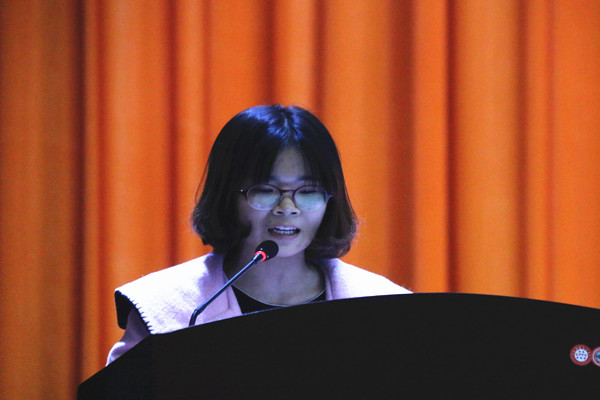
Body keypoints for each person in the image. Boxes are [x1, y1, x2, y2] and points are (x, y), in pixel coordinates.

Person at [106, 105, 411, 364]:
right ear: (228, 195)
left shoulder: (385, 308)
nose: (288, 208)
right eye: (266, 190)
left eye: (308, 191)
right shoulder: (167, 307)